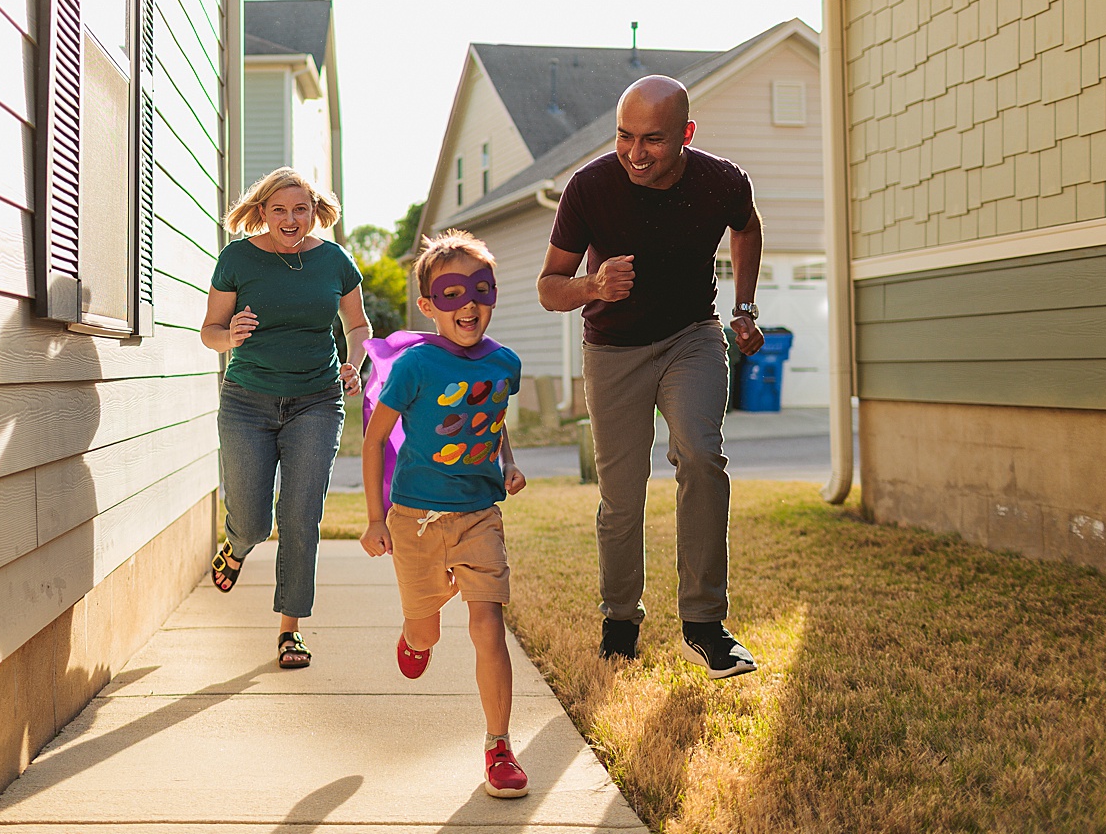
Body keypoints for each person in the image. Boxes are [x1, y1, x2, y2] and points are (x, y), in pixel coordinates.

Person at [536, 75, 764, 679]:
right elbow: (548, 287)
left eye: (653, 140)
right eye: (625, 137)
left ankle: (706, 624)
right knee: (622, 493)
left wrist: (744, 306)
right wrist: (592, 286)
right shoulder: (590, 187)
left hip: (692, 335)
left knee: (700, 454)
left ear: (686, 134)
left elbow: (747, 226)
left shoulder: (721, 181)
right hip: (613, 350)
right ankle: (619, 620)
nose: (636, 153)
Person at [359, 230, 530, 798]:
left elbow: (494, 417)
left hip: (480, 515)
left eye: (481, 290)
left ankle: (499, 746)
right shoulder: (416, 367)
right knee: (426, 633)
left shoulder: (506, 363)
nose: (469, 305)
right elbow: (375, 437)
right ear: (429, 305)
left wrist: (507, 461)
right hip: (416, 519)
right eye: (452, 294)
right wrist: (376, 518)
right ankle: (414, 637)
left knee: (488, 626)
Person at [202, 166, 371, 670]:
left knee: (301, 518)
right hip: (247, 402)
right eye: (279, 209)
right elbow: (209, 330)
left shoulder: (335, 261)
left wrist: (354, 364)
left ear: (314, 212)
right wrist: (229, 334)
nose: (290, 218)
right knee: (253, 521)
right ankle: (236, 546)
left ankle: (290, 629)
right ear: (262, 214)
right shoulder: (237, 259)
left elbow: (358, 324)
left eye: (300, 209)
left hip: (316, 401)